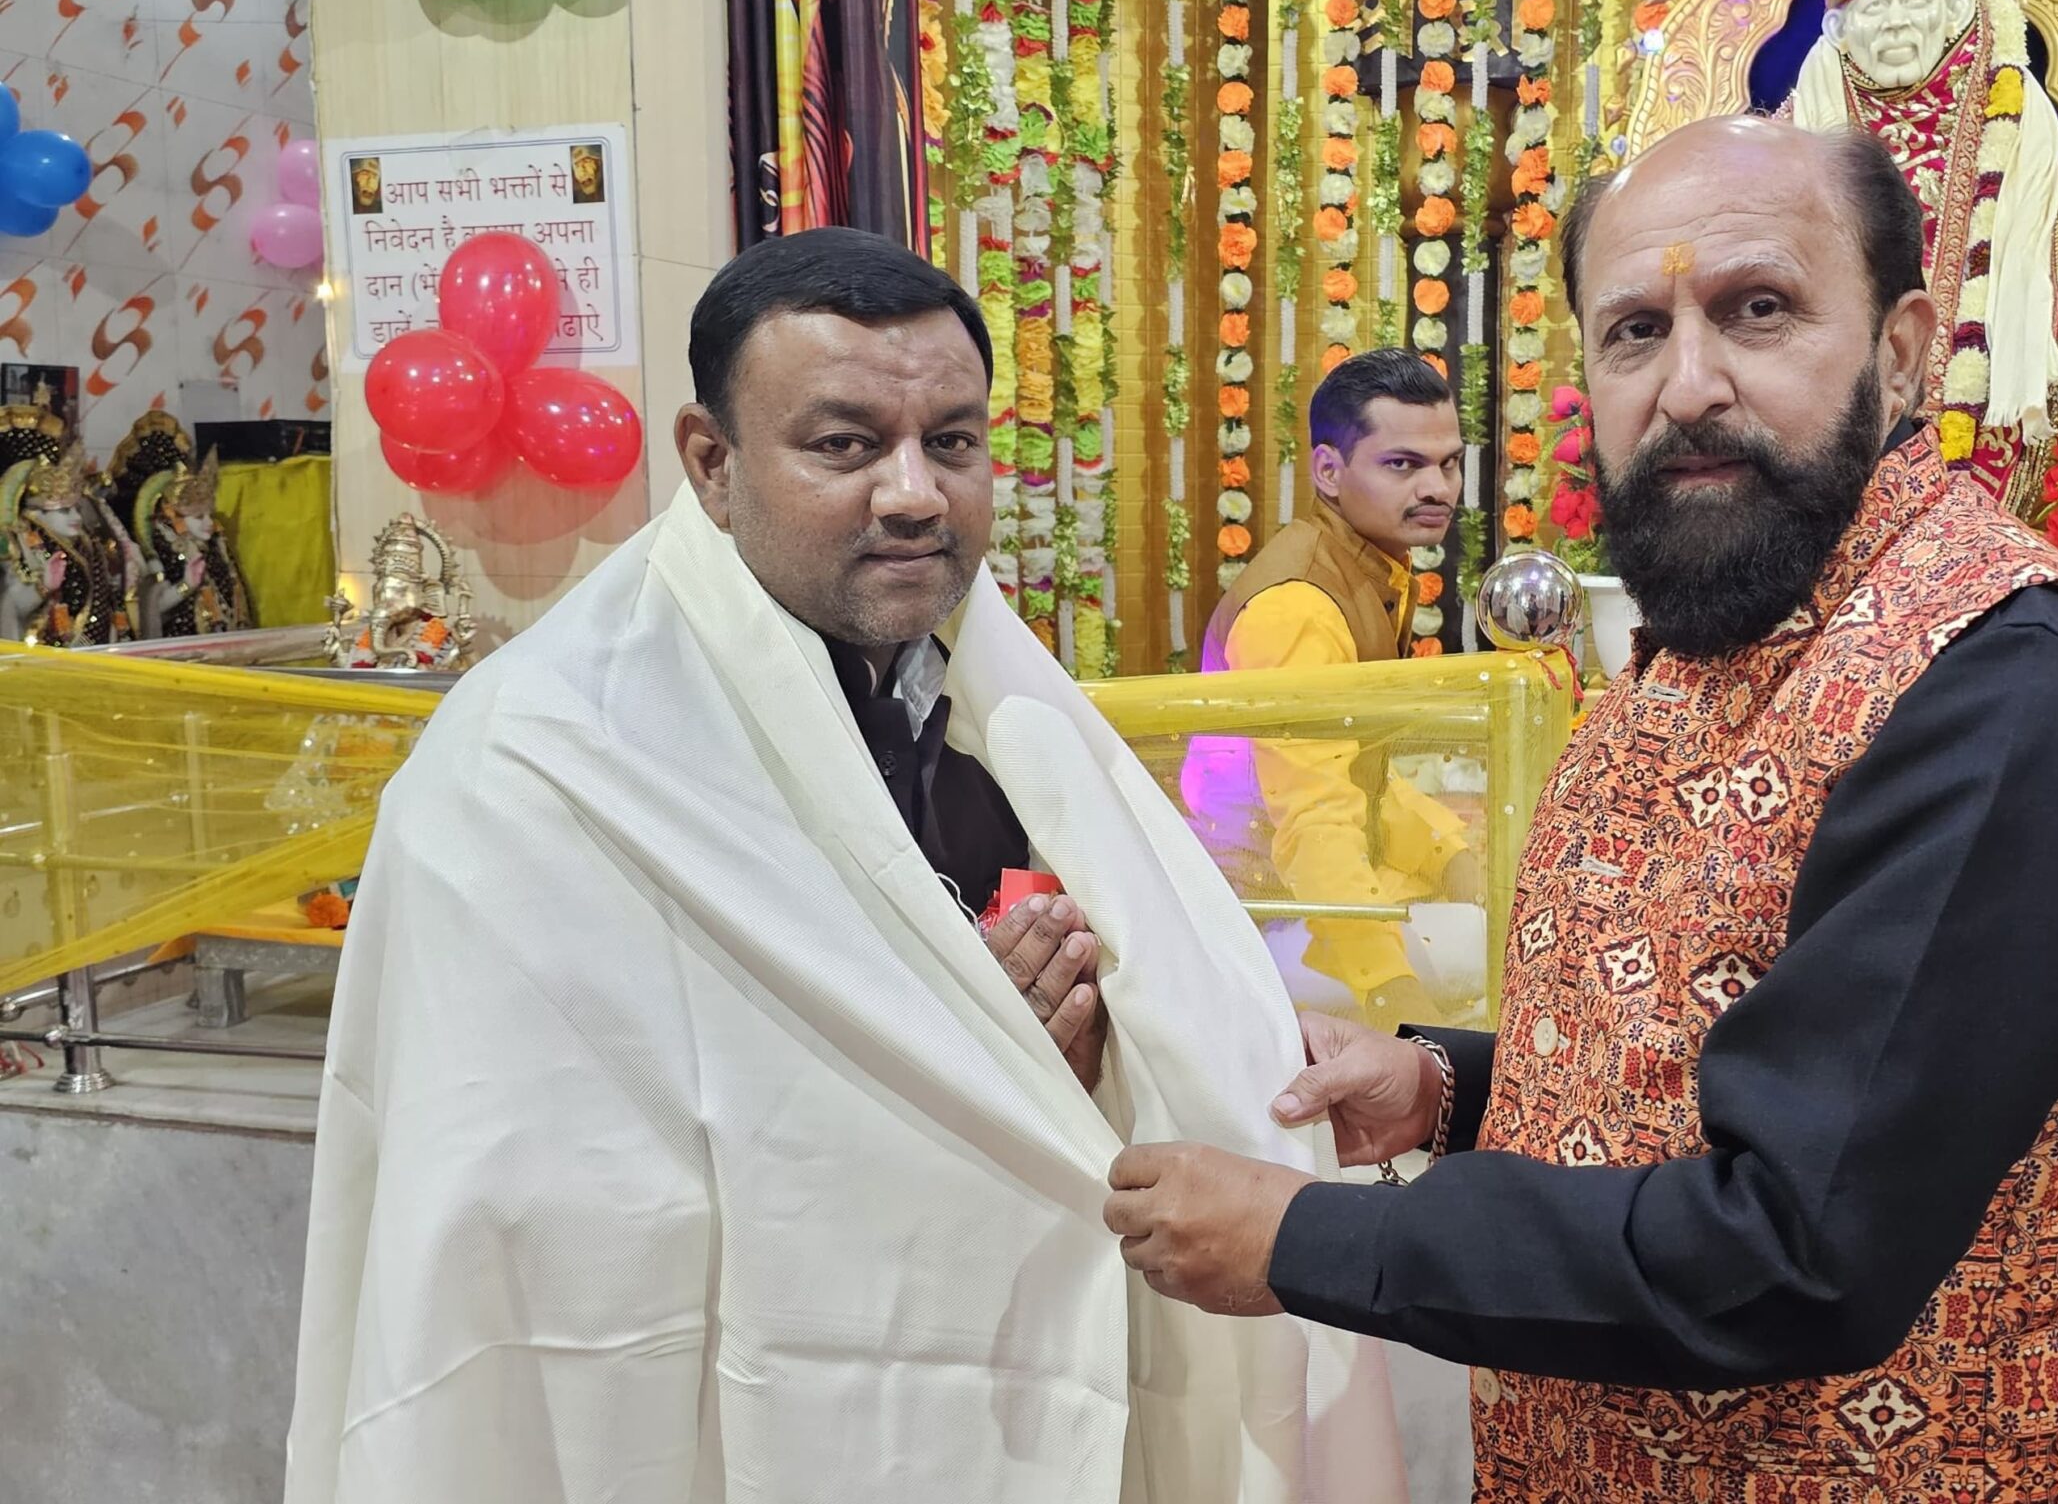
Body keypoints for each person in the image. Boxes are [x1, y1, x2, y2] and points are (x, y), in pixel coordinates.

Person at [1105, 117, 2058, 1502]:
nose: (1689, 386)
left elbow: (1797, 1244)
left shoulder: (2021, 697)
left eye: (1758, 311)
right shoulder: (1715, 638)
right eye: (1635, 332)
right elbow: (1723, 1049)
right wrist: (1447, 1088)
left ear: (1902, 352)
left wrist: (1305, 1241)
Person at [286, 228, 1402, 1504]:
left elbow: (1108, 1035)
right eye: (844, 444)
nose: (914, 492)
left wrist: (1091, 1046)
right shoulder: (534, 764)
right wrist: (959, 1040)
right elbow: (548, 1217)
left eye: (953, 442)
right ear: (710, 463)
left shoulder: (1003, 711)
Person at [1785, 0, 2058, 510]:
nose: (1894, 23)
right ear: (1840, 27)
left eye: (1914, 1)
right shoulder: (1815, 105)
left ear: (1956, 11)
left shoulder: (2010, 96)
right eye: (1874, 8)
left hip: (1987, 398)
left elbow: (2032, 256)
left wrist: (2053, 334)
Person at [1185, 348, 1477, 1030]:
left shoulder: (1370, 567)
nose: (1438, 487)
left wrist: (1452, 854)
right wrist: (1392, 995)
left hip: (1313, 895)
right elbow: (1313, 820)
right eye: (1402, 464)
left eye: (1449, 463)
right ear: (1328, 470)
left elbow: (1361, 775)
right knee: (1504, 952)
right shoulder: (1298, 606)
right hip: (1263, 921)